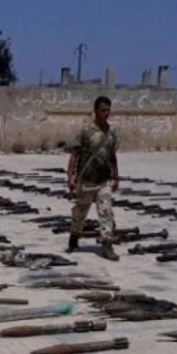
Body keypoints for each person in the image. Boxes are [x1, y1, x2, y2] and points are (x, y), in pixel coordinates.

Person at [66, 95, 120, 261]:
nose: (106, 113)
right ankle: (74, 236)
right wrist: (71, 176)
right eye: (103, 110)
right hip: (87, 180)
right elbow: (75, 154)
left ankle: (107, 244)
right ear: (95, 111)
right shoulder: (86, 131)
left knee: (106, 212)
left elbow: (112, 156)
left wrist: (116, 177)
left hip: (104, 180)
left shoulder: (112, 132)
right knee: (80, 213)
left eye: (108, 110)